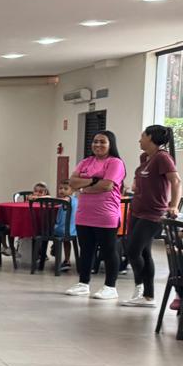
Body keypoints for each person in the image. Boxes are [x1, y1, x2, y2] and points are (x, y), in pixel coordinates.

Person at [121, 124, 181, 307]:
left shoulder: (163, 157)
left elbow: (176, 181)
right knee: (144, 252)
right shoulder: (145, 157)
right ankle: (148, 296)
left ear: (150, 138)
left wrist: (173, 206)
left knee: (132, 251)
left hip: (153, 213)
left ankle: (140, 288)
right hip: (137, 210)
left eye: (142, 136)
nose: (139, 140)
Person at [65, 130, 127, 300]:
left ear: (110, 145)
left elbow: (107, 185)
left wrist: (84, 186)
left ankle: (110, 287)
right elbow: (72, 182)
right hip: (84, 214)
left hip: (106, 214)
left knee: (108, 250)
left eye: (102, 142)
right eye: (95, 141)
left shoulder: (115, 163)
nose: (98, 145)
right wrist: (94, 181)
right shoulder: (86, 162)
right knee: (86, 250)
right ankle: (83, 284)